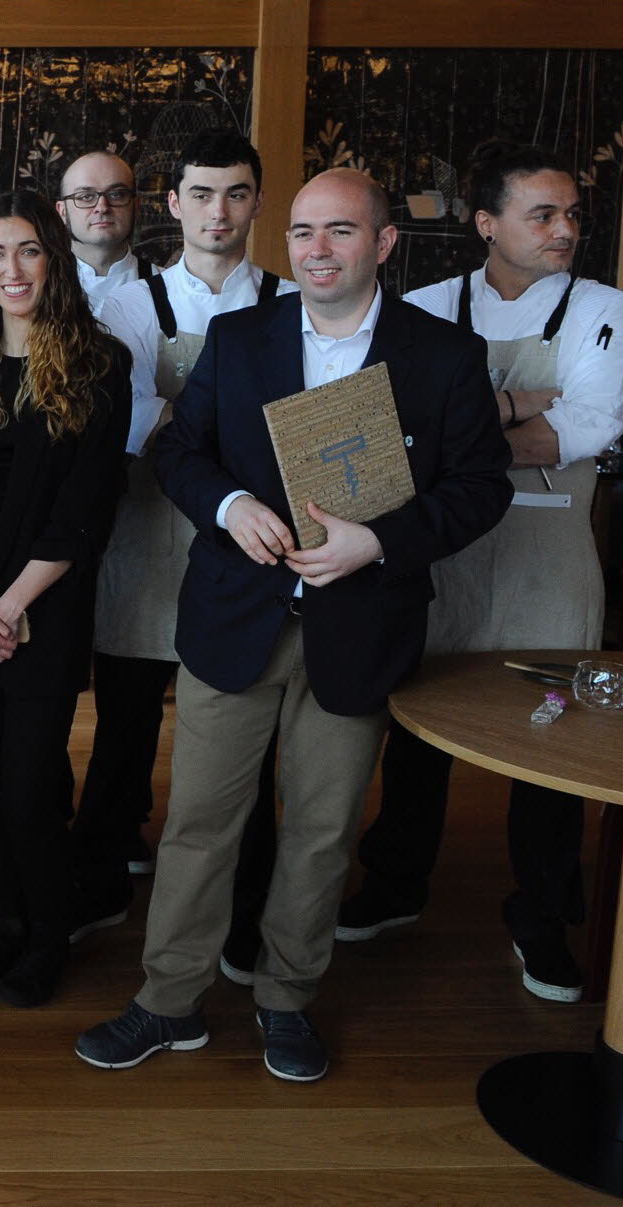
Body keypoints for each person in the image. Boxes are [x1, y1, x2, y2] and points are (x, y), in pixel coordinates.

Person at [75, 169, 511, 1084]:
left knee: (320, 828)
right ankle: (169, 999)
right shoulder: (240, 340)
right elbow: (179, 451)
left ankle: (285, 998)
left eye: (341, 231)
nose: (316, 249)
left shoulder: (443, 355)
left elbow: (481, 488)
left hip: (361, 626)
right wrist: (229, 503)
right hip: (236, 614)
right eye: (304, 231)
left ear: (384, 244)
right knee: (199, 822)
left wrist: (380, 542)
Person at [337, 140, 623, 1002]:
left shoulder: (604, 307)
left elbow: (586, 425)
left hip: (550, 553)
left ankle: (541, 911)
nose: (566, 230)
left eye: (572, 213)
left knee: (550, 739)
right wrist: (515, 406)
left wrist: (459, 429)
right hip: (445, 545)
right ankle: (396, 884)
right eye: (543, 214)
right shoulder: (427, 305)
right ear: (485, 224)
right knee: (422, 724)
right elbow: (385, 416)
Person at [0, 190, 132, 1008]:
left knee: (29, 785)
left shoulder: (99, 363)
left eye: (30, 251)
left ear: (56, 259)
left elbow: (86, 510)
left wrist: (7, 606)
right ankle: (7, 922)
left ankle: (48, 934)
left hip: (41, 607)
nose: (13, 270)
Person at [76, 130, 290, 930]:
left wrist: (187, 425)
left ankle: (243, 902)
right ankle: (99, 876)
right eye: (201, 193)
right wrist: (228, 434)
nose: (219, 210)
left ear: (258, 203)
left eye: (236, 193)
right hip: (143, 531)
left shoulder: (288, 301)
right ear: (173, 205)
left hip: (248, 545)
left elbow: (304, 418)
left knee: (243, 731)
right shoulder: (127, 304)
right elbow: (120, 413)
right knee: (124, 720)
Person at [56, 150, 148, 312]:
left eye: (117, 194)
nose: (102, 208)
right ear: (62, 211)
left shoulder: (170, 288)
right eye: (85, 196)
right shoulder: (38, 288)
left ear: (136, 205)